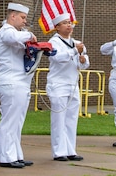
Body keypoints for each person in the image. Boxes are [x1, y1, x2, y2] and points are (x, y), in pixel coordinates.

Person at [0, 2, 37, 168]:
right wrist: (29, 36)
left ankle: (16, 155)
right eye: (22, 17)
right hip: (10, 81)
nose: (25, 21)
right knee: (9, 121)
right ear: (13, 16)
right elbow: (14, 38)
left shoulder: (17, 32)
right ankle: (6, 157)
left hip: (20, 82)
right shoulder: (6, 31)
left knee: (17, 122)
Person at [46, 13, 89, 162]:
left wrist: (82, 60)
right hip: (58, 84)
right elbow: (57, 58)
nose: (69, 25)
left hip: (72, 84)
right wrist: (74, 51)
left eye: (69, 22)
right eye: (64, 23)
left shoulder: (77, 42)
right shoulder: (54, 42)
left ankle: (71, 150)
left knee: (71, 119)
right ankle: (59, 151)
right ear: (57, 27)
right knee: (59, 118)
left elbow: (84, 64)